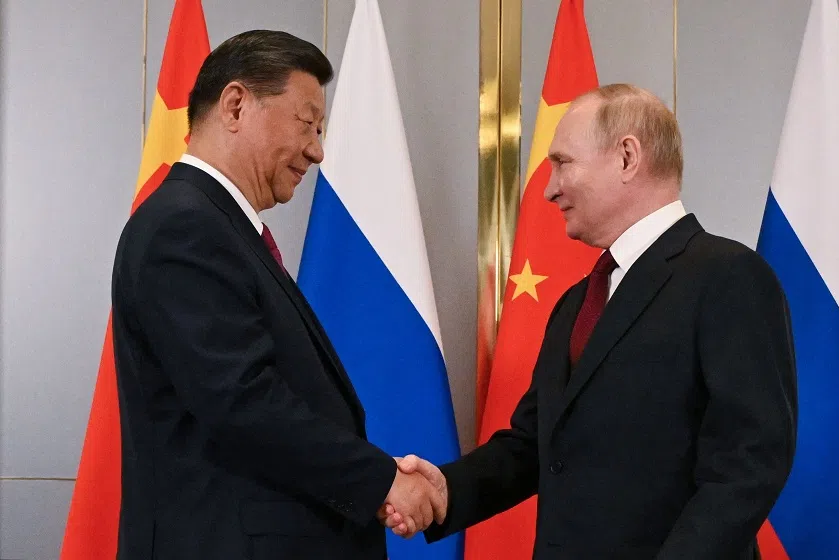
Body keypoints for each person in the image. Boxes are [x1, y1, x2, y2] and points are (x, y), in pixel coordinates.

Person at [382, 84, 798, 559]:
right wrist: (445, 493)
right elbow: (535, 444)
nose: (549, 188)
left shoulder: (728, 276)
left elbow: (750, 463)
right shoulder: (578, 301)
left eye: (563, 163)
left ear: (626, 157)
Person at [111, 30, 444, 560]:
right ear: (236, 105)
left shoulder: (222, 230)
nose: (316, 149)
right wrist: (382, 481)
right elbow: (242, 402)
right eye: (307, 123)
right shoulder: (185, 227)